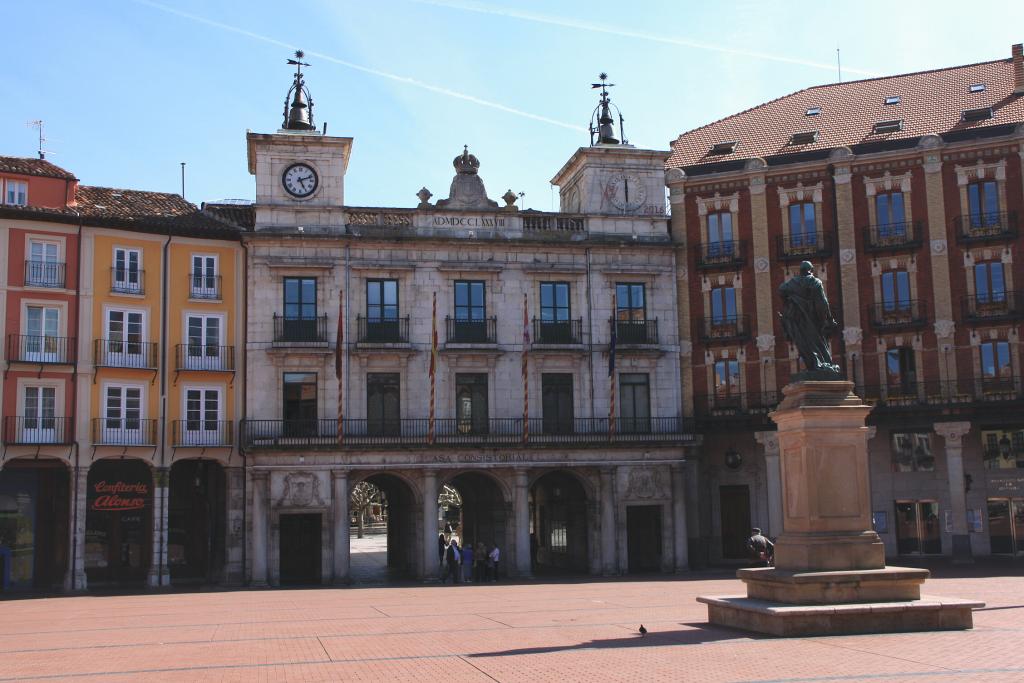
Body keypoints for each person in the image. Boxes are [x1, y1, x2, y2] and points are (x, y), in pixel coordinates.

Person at [778, 261, 840, 376]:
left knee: (805, 343)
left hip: (798, 320)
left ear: (801, 271)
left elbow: (781, 289)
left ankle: (814, 365)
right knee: (818, 342)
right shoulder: (815, 282)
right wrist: (829, 318)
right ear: (810, 270)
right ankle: (820, 365)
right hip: (813, 319)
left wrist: (789, 301)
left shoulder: (792, 283)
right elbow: (823, 302)